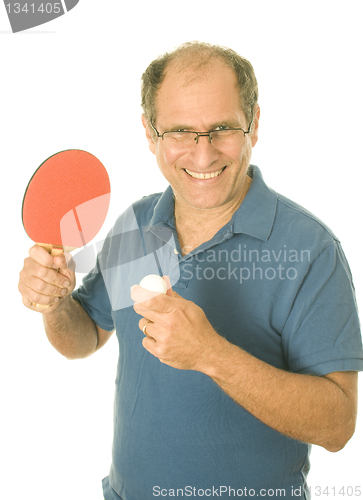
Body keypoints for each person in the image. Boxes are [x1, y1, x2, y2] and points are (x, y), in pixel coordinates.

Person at [19, 42, 363, 500]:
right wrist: (54, 303)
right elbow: (84, 338)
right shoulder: (136, 224)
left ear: (254, 124)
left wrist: (210, 354)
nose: (203, 156)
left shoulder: (312, 250)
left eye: (222, 128)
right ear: (149, 132)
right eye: (180, 131)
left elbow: (337, 426)